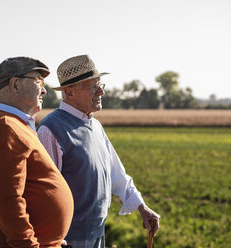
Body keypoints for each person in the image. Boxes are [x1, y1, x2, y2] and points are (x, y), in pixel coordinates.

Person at [37, 55, 160, 248]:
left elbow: (116, 174)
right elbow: (44, 192)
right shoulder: (50, 129)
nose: (101, 91)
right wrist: (54, 237)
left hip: (97, 232)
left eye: (101, 85)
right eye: (93, 87)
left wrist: (141, 207)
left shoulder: (95, 126)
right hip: (67, 240)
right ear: (69, 92)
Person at [0, 57, 74, 248]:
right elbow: (9, 199)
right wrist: (28, 244)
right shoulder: (4, 126)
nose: (44, 90)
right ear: (16, 85)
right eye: (38, 81)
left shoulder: (14, 124)